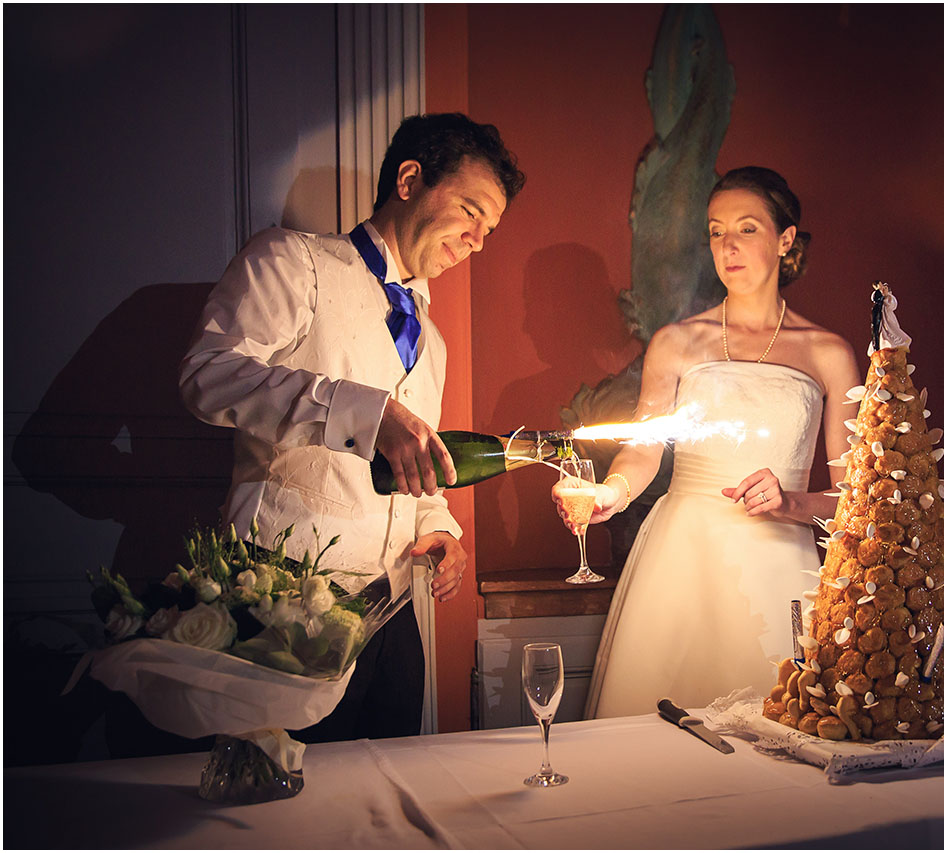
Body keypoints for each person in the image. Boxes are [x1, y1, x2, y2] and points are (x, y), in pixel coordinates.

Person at [180, 113, 525, 739]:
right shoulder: (291, 261)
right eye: (471, 210)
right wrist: (362, 412)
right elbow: (208, 375)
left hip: (393, 617)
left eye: (490, 229)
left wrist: (440, 529)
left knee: (389, 803)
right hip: (280, 599)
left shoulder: (435, 343)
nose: (478, 240)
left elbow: (414, 473)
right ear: (410, 178)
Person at [555, 167, 859, 718]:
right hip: (682, 554)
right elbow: (645, 449)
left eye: (746, 229)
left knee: (779, 732)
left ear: (785, 239)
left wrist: (791, 502)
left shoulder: (828, 354)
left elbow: (854, 503)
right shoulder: (677, 343)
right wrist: (613, 493)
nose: (728, 246)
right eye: (717, 231)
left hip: (778, 561)